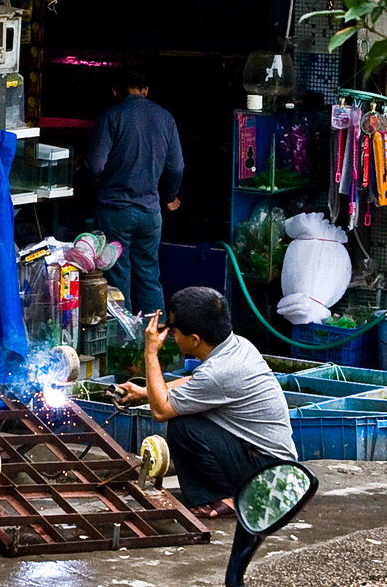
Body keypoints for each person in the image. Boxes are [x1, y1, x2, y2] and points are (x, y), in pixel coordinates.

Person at [114, 287, 296, 518]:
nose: (170, 334)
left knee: (183, 426)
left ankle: (226, 497)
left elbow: (160, 411)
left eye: (174, 330)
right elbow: (196, 381)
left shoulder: (219, 373)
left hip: (269, 475)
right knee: (187, 414)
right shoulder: (237, 345)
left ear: (194, 339)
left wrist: (151, 352)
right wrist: (143, 391)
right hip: (272, 464)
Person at [84, 67, 183, 317]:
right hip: (151, 213)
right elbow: (177, 166)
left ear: (115, 91)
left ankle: (124, 341)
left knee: (118, 277)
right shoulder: (166, 118)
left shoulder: (111, 116)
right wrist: (170, 197)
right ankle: (156, 335)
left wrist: (95, 181)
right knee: (149, 276)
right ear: (146, 90)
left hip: (115, 211)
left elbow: (95, 164)